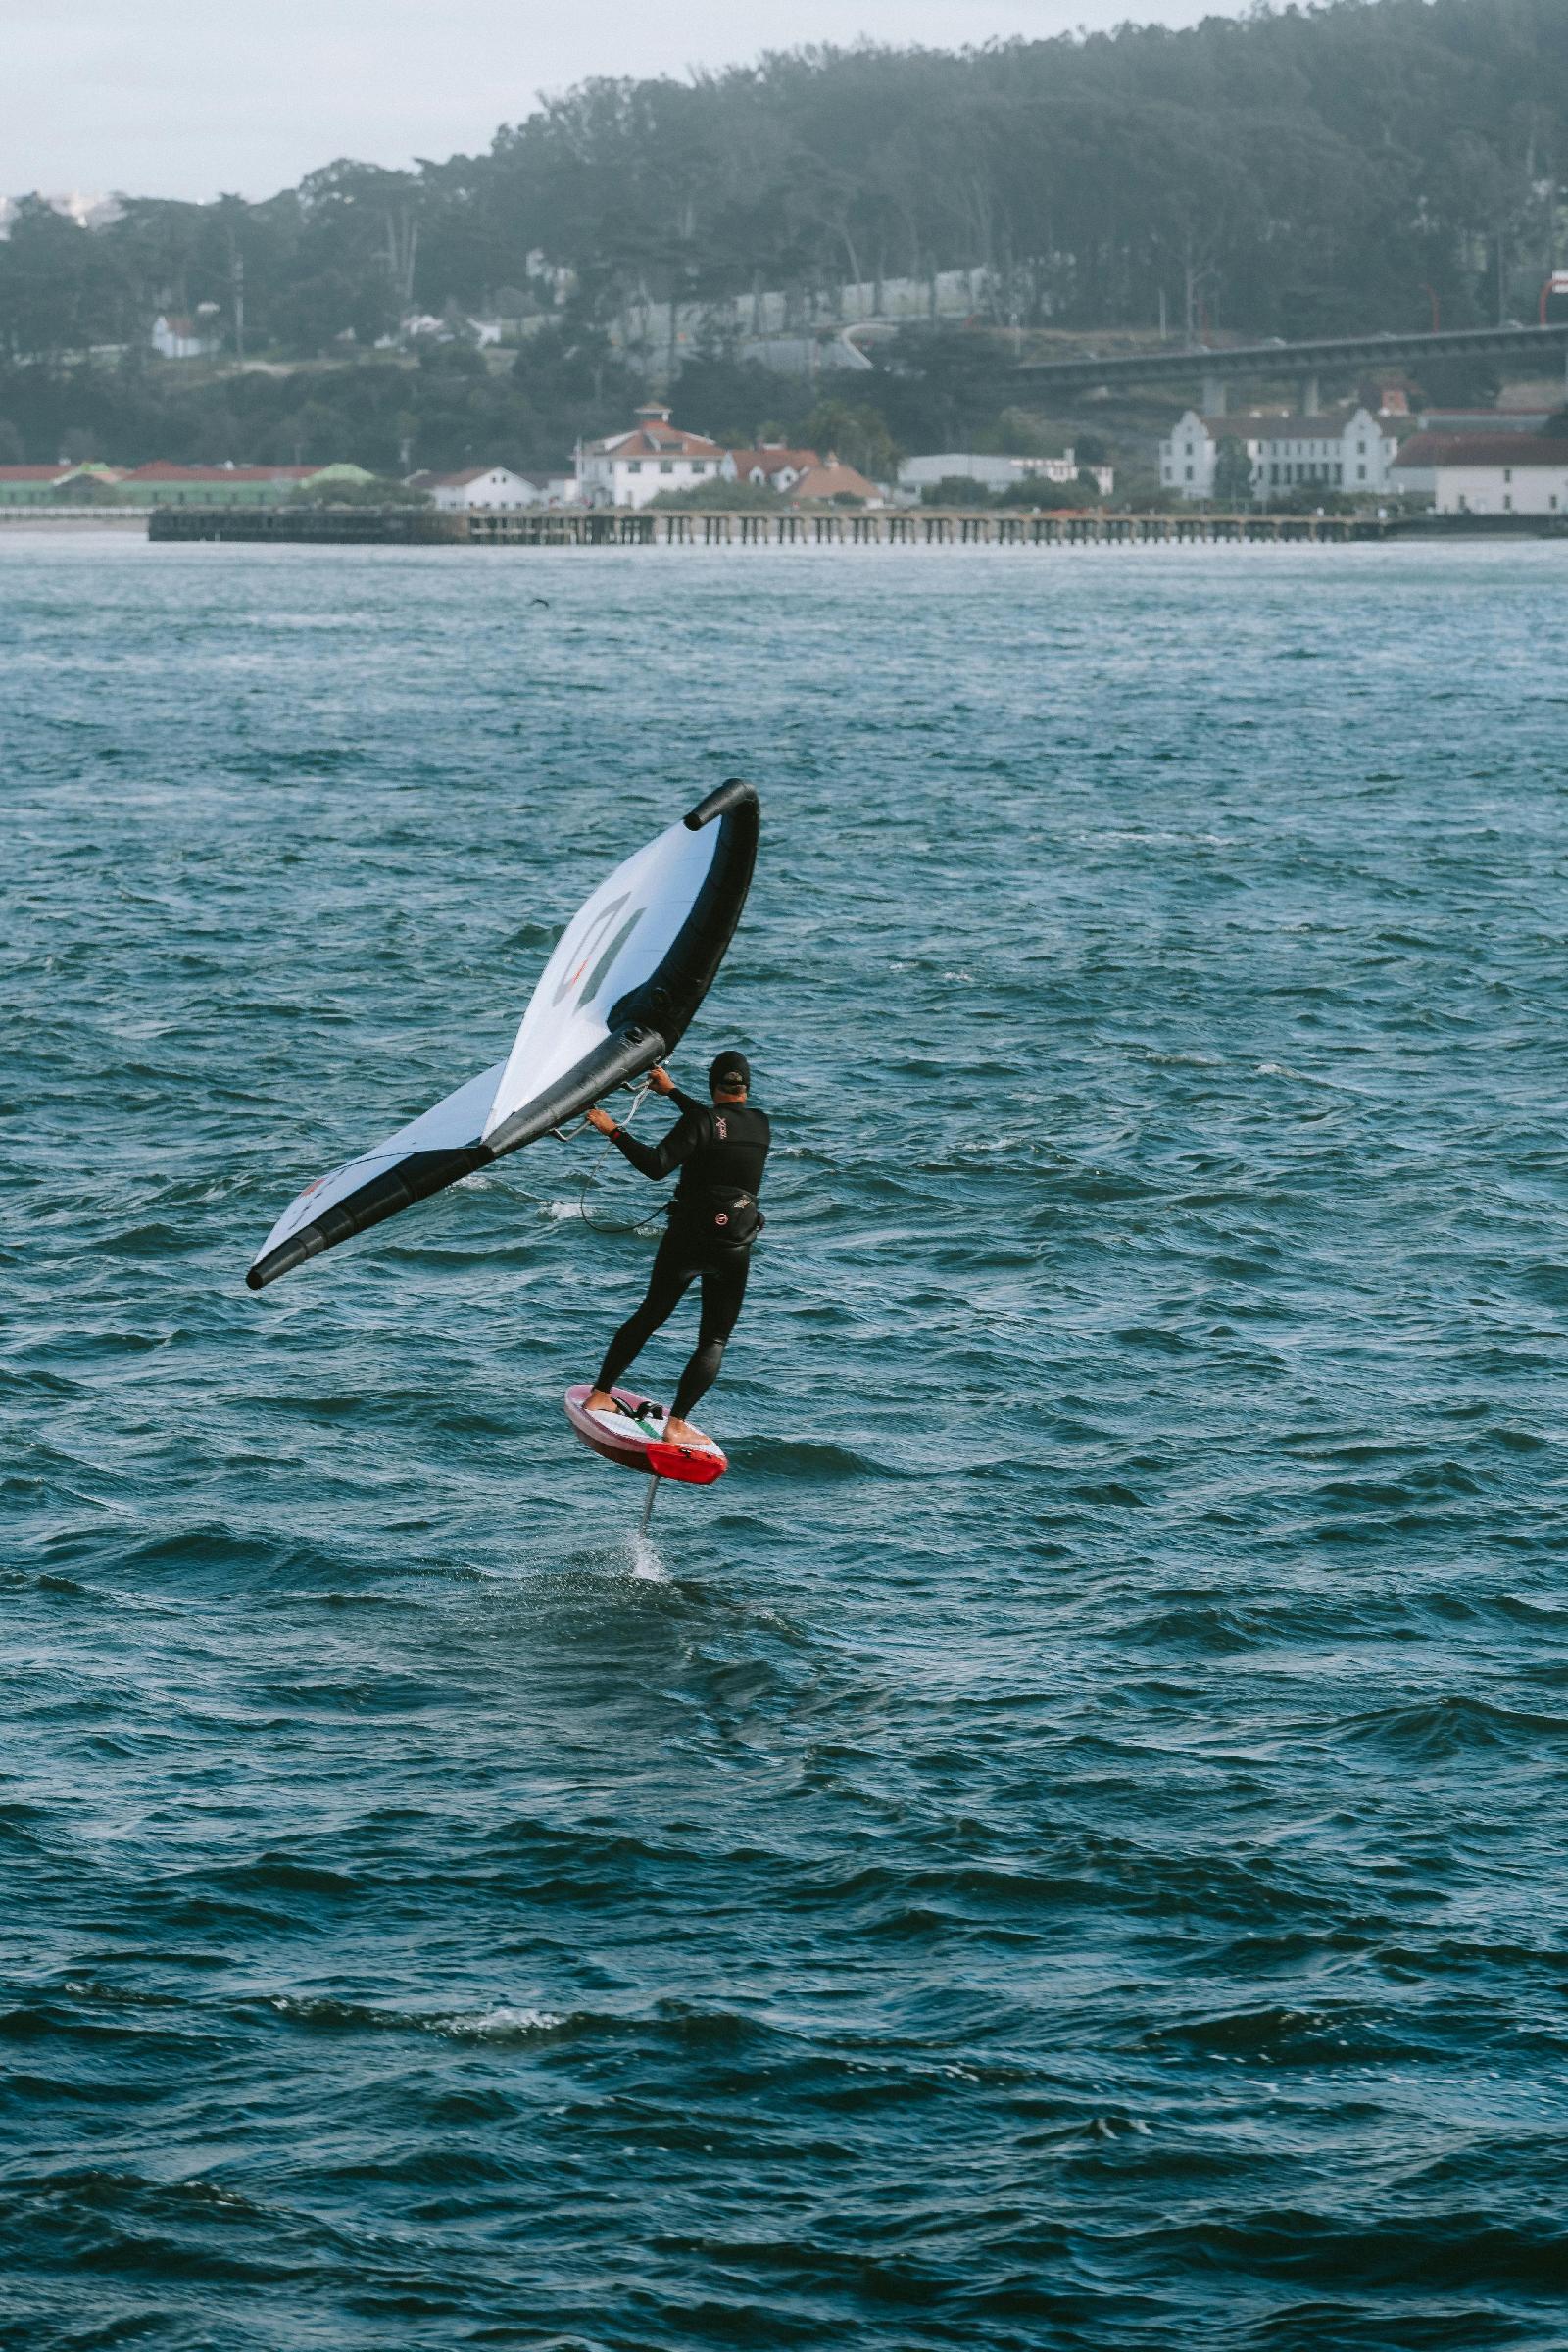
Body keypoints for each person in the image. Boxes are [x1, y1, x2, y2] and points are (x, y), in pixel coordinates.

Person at [583, 1052, 769, 1446]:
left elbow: (656, 1164)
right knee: (714, 1340)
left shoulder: (701, 1121)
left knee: (651, 1314)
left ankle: (601, 1395)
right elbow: (715, 1124)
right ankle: (677, 1423)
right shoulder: (760, 1126)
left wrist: (612, 1130)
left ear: (712, 1084)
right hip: (734, 1246)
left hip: (688, 1240)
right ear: (747, 1088)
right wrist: (673, 1093)